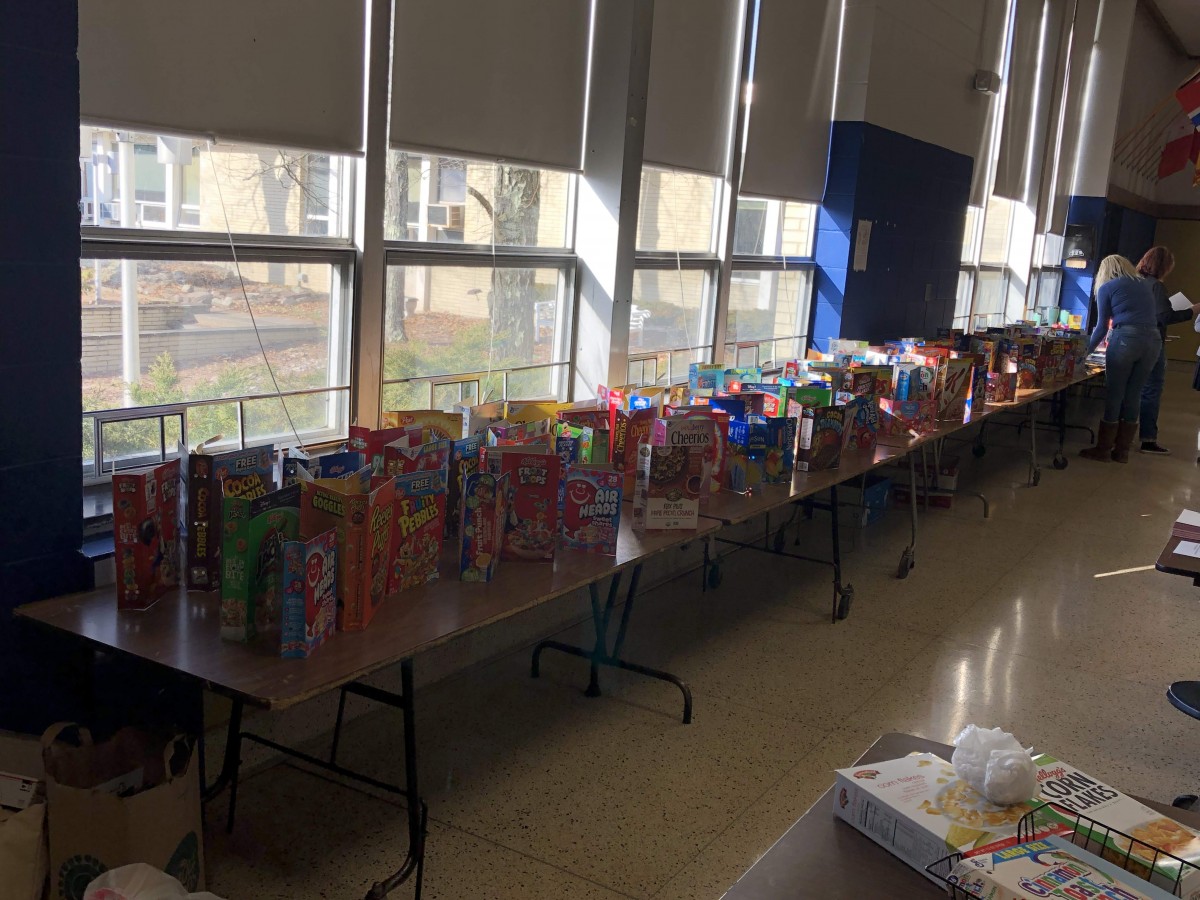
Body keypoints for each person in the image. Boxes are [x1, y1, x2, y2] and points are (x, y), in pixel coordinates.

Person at [1080, 255, 1161, 463]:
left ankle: (1104, 449)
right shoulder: (1144, 285)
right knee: (1134, 394)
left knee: (1115, 394)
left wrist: (1082, 355)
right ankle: (1122, 452)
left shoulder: (1107, 287)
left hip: (1126, 339)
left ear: (1104, 272)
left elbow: (1100, 327)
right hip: (1153, 340)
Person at [1135, 246, 1199, 454]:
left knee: (1130, 389)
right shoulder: (1157, 287)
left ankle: (1120, 438)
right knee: (1152, 389)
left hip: (1132, 340)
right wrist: (1192, 311)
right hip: (1153, 342)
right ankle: (1148, 438)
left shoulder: (1136, 282)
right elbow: (1164, 317)